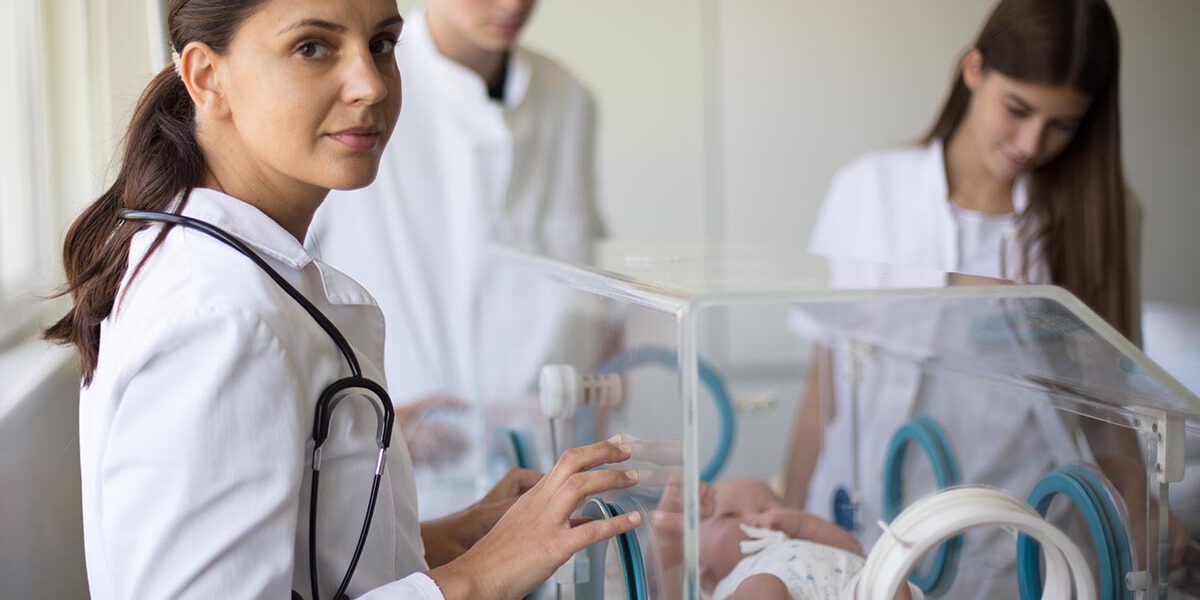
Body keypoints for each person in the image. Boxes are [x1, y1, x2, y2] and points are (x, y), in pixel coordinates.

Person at [44, 1, 638, 598]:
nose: (371, 84)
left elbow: (292, 562)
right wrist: (483, 575)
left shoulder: (242, 275)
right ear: (206, 77)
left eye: (382, 44)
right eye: (312, 47)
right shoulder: (218, 319)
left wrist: (450, 538)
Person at [782, 0, 1188, 596]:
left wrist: (1147, 511)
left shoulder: (1104, 213)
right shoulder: (869, 190)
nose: (1031, 142)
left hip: (1024, 534)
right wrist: (790, 528)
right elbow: (824, 387)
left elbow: (1114, 407)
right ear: (973, 69)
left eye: (1062, 124)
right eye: (1017, 109)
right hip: (865, 522)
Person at [306, 0, 607, 518]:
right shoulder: (365, 87)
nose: (513, 5)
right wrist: (354, 428)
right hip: (391, 466)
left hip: (539, 460)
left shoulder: (567, 99)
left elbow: (588, 281)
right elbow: (290, 280)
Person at [700, 479, 918, 600]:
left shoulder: (799, 540)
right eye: (729, 515)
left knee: (884, 576)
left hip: (850, 593)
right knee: (762, 586)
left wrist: (798, 524)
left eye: (767, 508)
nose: (753, 518)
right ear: (705, 576)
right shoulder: (727, 587)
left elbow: (853, 548)